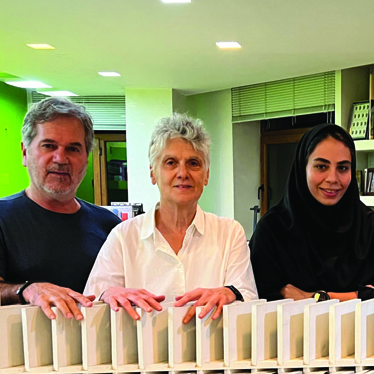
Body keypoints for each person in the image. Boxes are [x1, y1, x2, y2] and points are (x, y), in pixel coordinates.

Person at [84, 113, 257, 323]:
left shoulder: (230, 233)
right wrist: (107, 296)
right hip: (140, 355)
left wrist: (232, 294)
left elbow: (248, 302)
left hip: (214, 353)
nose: (182, 173)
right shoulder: (123, 236)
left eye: (193, 163)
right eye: (170, 162)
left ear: (207, 175)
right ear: (153, 173)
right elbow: (92, 303)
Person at [0, 97, 120, 319]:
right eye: (49, 146)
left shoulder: (110, 225)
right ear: (25, 152)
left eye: (73, 149)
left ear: (86, 159)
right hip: (19, 348)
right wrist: (27, 289)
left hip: (97, 348)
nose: (60, 158)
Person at [249, 123, 374, 302]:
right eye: (321, 167)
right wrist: (360, 295)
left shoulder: (369, 227)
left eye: (342, 168)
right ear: (303, 168)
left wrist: (316, 297)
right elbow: (259, 298)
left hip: (359, 330)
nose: (333, 179)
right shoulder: (273, 229)